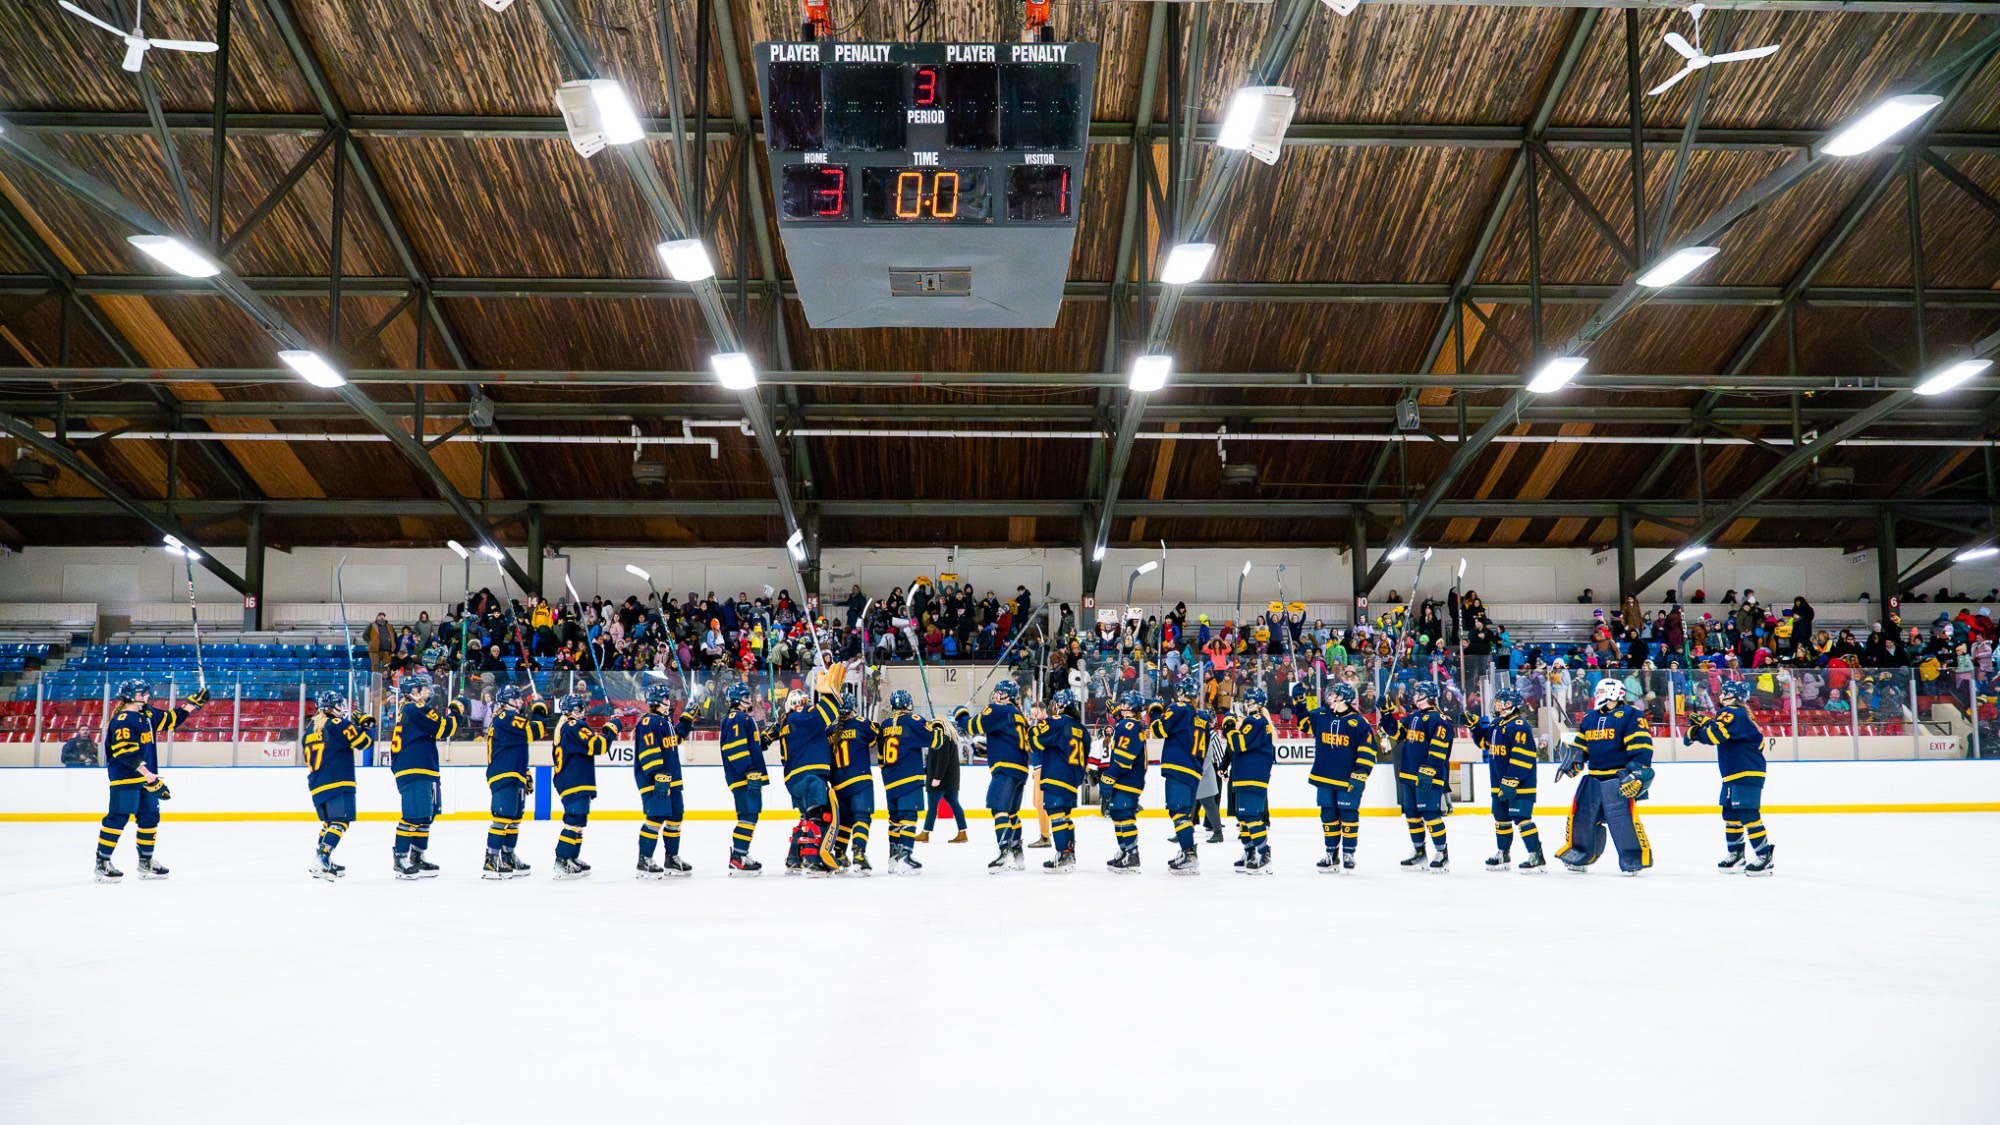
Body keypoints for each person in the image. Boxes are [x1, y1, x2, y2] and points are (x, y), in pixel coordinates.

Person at [94, 678, 207, 882]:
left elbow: (171, 719)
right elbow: (125, 752)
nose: (147, 696)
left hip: (147, 777)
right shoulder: (122, 720)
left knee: (149, 818)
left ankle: (145, 862)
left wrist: (193, 703)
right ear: (131, 696)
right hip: (126, 777)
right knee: (118, 817)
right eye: (142, 693)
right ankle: (102, 862)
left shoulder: (147, 714)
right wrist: (148, 774)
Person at [1554, 679, 1656, 875]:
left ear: (1614, 692)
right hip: (1592, 778)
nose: (1598, 694)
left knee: (1623, 822)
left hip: (1617, 778)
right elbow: (1581, 745)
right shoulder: (1590, 718)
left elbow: (1640, 745)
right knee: (1581, 820)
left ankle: (1633, 858)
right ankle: (1581, 854)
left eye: (1601, 690)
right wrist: (1574, 762)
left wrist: (1638, 771)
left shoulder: (1631, 715)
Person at [1685, 681, 1774, 876]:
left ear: (1731, 696)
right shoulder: (1740, 715)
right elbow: (1725, 732)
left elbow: (1716, 735)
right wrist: (1707, 723)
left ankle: (1764, 855)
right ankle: (1736, 854)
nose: (1721, 695)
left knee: (1748, 813)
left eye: (1724, 692)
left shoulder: (1732, 712)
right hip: (1735, 773)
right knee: (1730, 813)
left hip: (1744, 772)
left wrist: (1696, 732)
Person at [1298, 680, 1376, 873]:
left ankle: (1348, 854)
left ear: (1345, 699)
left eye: (1335, 695)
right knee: (1328, 816)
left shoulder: (1358, 723)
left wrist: (1361, 774)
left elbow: (1367, 752)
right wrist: (1299, 701)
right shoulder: (1322, 715)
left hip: (1347, 779)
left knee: (1348, 815)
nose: (1330, 697)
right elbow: (1303, 725)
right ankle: (1331, 854)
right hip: (1324, 777)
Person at [390, 671, 462, 879]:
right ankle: (400, 858)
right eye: (422, 688)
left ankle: (417, 857)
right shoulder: (415, 708)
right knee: (413, 816)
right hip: (415, 769)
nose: (427, 691)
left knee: (425, 816)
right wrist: (456, 711)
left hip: (424, 768)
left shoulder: (411, 711)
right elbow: (445, 728)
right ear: (413, 692)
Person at [774, 666, 843, 877]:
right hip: (811, 775)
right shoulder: (802, 717)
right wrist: (829, 690)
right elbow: (829, 711)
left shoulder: (786, 724)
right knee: (818, 817)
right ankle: (812, 860)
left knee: (805, 818)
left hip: (793, 779)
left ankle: (793, 858)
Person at [1470, 689, 1546, 873]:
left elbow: (1524, 756)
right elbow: (1484, 744)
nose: (1496, 705)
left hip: (1520, 784)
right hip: (1499, 783)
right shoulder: (1497, 724)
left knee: (1521, 818)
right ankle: (1503, 853)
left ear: (1510, 705)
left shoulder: (1519, 725)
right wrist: (1474, 727)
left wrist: (1511, 780)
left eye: (1500, 702)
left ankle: (1537, 856)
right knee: (1501, 818)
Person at [1381, 682, 1453, 872]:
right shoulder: (1414, 717)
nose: (1415, 695)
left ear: (1427, 696)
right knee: (1412, 815)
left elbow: (1439, 748)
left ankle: (1441, 852)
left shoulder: (1439, 719)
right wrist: (1386, 714)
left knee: (1430, 815)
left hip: (1428, 777)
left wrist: (1429, 770)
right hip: (1409, 774)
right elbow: (1396, 732)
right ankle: (1419, 852)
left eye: (1419, 693)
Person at [303, 689, 373, 881]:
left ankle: (324, 858)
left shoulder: (310, 730)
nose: (342, 708)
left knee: (330, 822)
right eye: (340, 704)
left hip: (317, 783)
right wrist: (366, 725)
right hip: (338, 780)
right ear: (333, 707)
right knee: (340, 821)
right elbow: (363, 743)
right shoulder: (338, 724)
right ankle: (322, 859)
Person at [483, 684, 550, 880]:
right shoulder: (506, 717)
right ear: (507, 700)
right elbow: (533, 731)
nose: (520, 701)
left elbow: (517, 746)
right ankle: (491, 860)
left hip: (514, 772)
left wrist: (525, 773)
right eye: (517, 698)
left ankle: (508, 856)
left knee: (513, 819)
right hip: (504, 773)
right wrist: (539, 708)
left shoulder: (508, 718)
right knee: (503, 818)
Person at [550, 693, 617, 878]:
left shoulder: (567, 726)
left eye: (581, 709)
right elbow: (598, 745)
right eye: (577, 709)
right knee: (574, 819)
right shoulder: (572, 725)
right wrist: (613, 726)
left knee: (579, 820)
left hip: (575, 779)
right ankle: (562, 860)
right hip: (573, 779)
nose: (581, 713)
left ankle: (571, 857)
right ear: (568, 711)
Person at [632, 685, 695, 878]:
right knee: (655, 818)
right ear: (659, 701)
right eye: (667, 698)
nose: (669, 701)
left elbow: (674, 740)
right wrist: (657, 774)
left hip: (672, 779)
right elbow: (648, 751)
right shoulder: (648, 722)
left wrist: (687, 719)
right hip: (656, 780)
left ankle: (672, 858)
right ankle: (644, 860)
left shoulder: (664, 722)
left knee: (676, 816)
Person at [877, 690, 942, 874]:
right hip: (909, 777)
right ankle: (905, 857)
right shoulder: (912, 720)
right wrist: (938, 726)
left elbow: (881, 758)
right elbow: (935, 741)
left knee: (894, 820)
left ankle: (893, 859)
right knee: (908, 817)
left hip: (889, 779)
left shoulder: (885, 724)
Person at [1152, 674, 1211, 874]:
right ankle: (1187, 851)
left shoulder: (1178, 708)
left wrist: (1155, 712)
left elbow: (1158, 730)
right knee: (1184, 814)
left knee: (1178, 813)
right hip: (1194, 771)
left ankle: (1189, 853)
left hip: (1178, 767)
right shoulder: (1203, 717)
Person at [971, 679, 1031, 872]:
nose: (996, 695)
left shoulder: (1000, 710)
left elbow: (974, 725)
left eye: (1000, 692)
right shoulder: (1019, 715)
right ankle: (1017, 853)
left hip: (1005, 768)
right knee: (1012, 813)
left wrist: (960, 715)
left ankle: (1004, 852)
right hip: (1021, 769)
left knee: (999, 809)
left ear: (1009, 696)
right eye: (996, 692)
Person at [1033, 690, 1088, 873]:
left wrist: (1033, 725)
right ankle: (1069, 853)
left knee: (1056, 815)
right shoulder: (1082, 729)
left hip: (1056, 775)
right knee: (1065, 817)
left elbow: (1036, 740)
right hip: (1072, 780)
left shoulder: (1057, 721)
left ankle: (1063, 854)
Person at [717, 683, 768, 875]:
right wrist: (750, 771)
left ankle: (741, 853)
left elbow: (748, 745)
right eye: (746, 695)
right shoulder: (736, 718)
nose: (749, 698)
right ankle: (738, 857)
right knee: (748, 815)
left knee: (748, 815)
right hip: (743, 777)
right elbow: (735, 747)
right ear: (738, 699)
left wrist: (765, 739)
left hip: (744, 775)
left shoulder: (741, 718)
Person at [1225, 687, 1276, 874]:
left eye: (1251, 701)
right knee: (1243, 817)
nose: (1247, 705)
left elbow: (1238, 744)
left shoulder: (1256, 721)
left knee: (1252, 817)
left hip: (1252, 776)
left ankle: (1264, 854)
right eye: (1246, 701)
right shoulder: (1254, 721)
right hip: (1243, 775)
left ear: (1260, 704)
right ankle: (1249, 853)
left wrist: (1229, 727)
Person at [1101, 691, 1150, 872]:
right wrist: (1117, 713)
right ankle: (1124, 850)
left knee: (1124, 814)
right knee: (1118, 814)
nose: (1121, 706)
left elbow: (1123, 757)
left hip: (1127, 778)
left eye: (1125, 704)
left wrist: (1109, 776)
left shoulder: (1128, 725)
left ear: (1133, 707)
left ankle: (1132, 853)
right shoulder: (1130, 723)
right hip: (1129, 777)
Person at [830, 697, 879, 875]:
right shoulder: (861, 723)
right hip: (859, 779)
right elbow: (874, 740)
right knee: (861, 818)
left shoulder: (830, 730)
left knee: (844, 822)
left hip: (838, 784)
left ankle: (840, 854)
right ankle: (859, 854)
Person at [920, 710, 967, 844]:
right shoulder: (949, 737)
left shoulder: (943, 738)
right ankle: (962, 832)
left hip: (940, 780)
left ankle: (925, 833)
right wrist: (925, 770)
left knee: (932, 807)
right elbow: (935, 760)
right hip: (950, 780)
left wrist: (936, 778)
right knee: (955, 804)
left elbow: (942, 759)